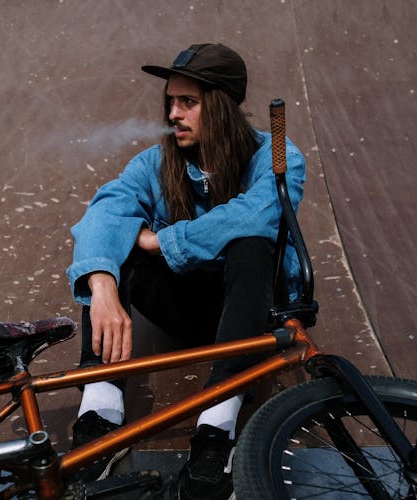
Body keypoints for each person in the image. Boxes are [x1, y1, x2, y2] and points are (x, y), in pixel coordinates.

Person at [66, 43, 306, 499]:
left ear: (220, 107)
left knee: (251, 243)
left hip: (247, 316)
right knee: (118, 244)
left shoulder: (274, 156)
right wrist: (101, 287)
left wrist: (165, 239)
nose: (173, 114)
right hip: (185, 312)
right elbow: (104, 211)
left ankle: (216, 430)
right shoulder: (155, 163)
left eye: (188, 103)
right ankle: (99, 412)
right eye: (171, 102)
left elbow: (260, 214)